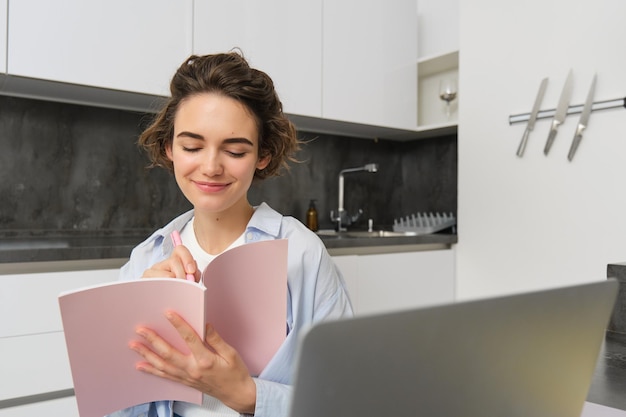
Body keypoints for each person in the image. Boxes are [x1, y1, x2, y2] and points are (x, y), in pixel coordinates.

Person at [106, 52, 353, 417]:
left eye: (235, 150)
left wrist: (247, 394)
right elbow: (112, 405)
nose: (210, 167)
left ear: (263, 155)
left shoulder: (301, 254)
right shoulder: (146, 259)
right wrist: (139, 320)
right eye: (191, 147)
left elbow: (346, 400)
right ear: (169, 148)